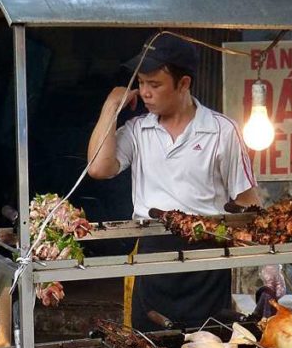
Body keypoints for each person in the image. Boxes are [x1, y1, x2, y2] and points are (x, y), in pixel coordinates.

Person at [87, 34, 261, 331]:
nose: (144, 93)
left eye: (154, 85)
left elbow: (248, 201)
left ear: (183, 84)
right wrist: (111, 105)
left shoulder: (222, 131)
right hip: (154, 254)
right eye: (140, 83)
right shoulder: (139, 130)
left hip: (207, 257)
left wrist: (248, 244)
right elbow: (98, 169)